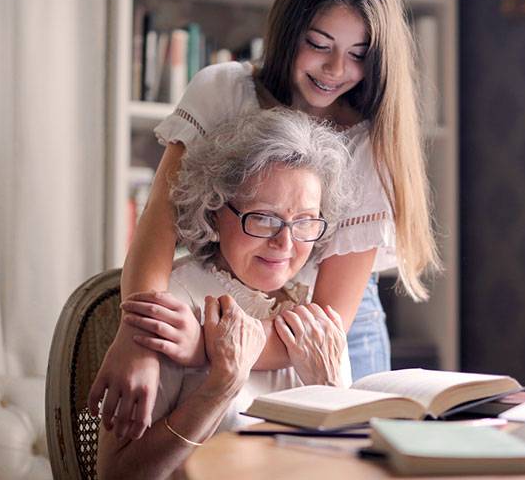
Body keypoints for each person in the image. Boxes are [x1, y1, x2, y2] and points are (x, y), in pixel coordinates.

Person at [89, 0, 440, 441]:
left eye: (358, 54)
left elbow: (329, 319)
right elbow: (157, 230)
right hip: (225, 301)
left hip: (331, 328)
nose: (336, 69)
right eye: (319, 44)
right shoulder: (223, 91)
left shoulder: (370, 142)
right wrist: (138, 339)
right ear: (288, 31)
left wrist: (201, 348)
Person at [97, 109, 352, 479]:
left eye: (304, 222)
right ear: (215, 210)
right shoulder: (172, 306)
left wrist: (330, 391)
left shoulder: (316, 320)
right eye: (264, 217)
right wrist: (218, 389)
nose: (285, 242)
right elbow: (117, 475)